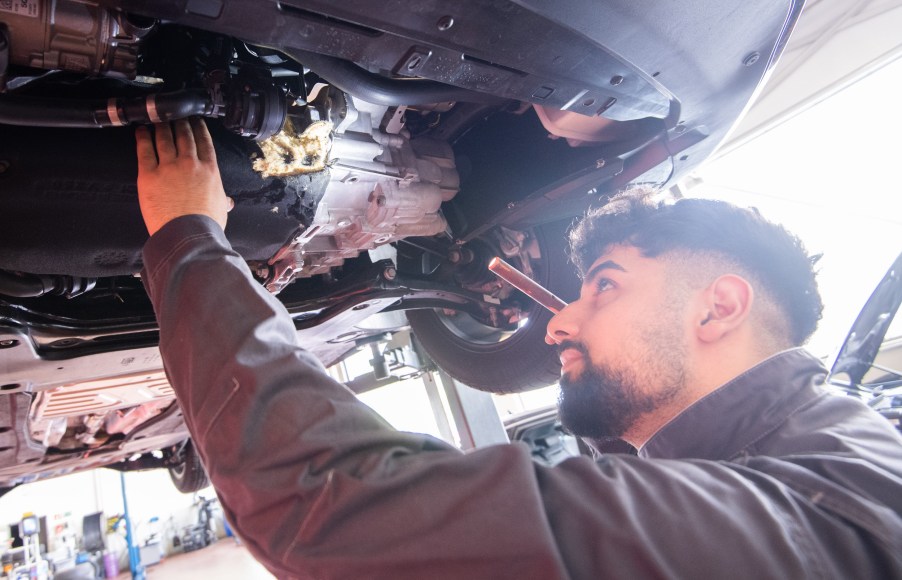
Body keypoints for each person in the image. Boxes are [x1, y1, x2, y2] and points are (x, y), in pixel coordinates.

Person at [136, 118, 902, 579]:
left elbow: (323, 493)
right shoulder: (832, 466)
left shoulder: (810, 525)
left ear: (721, 306)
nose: (560, 326)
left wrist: (188, 236)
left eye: (603, 285)